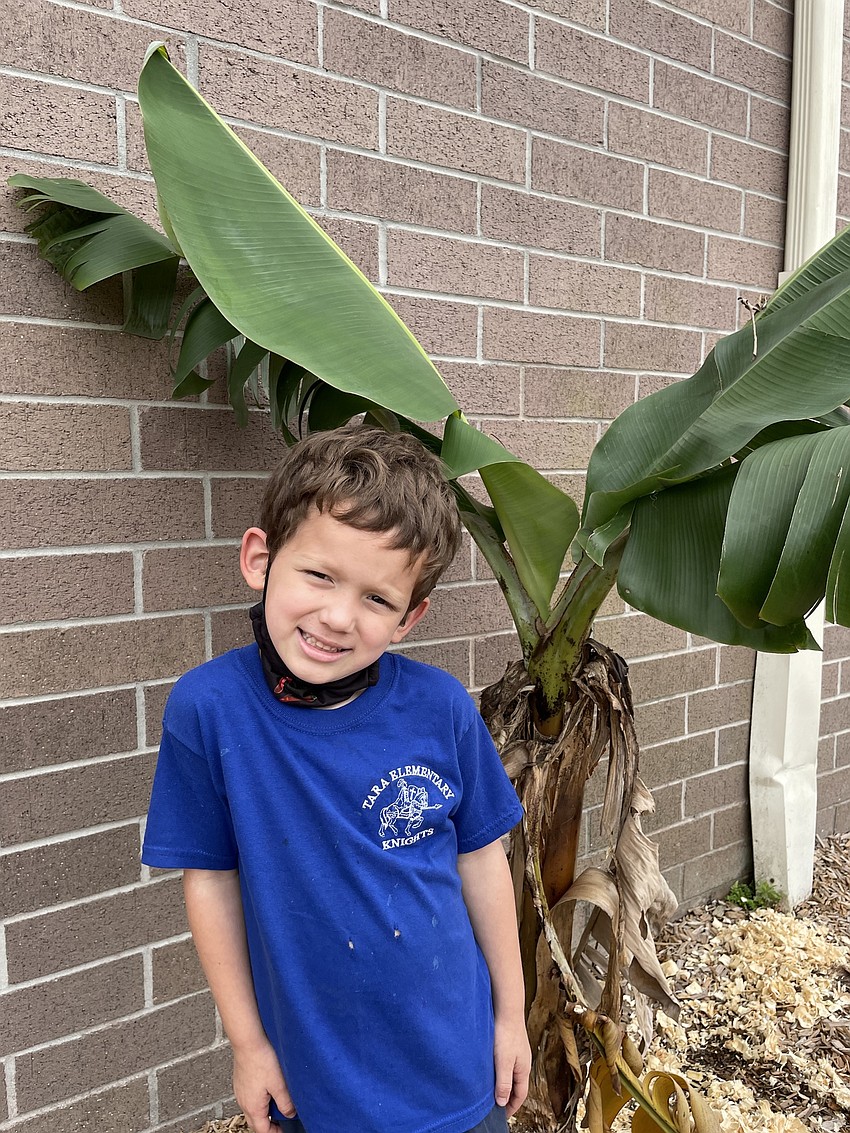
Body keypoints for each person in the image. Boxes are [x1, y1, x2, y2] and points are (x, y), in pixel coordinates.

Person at [142, 424, 531, 1133]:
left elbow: (482, 858)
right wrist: (249, 1044)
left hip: (456, 1066)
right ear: (261, 559)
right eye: (318, 575)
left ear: (410, 618)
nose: (337, 616)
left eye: (377, 599)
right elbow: (210, 879)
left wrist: (511, 1014)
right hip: (313, 1083)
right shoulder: (209, 709)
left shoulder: (440, 707)